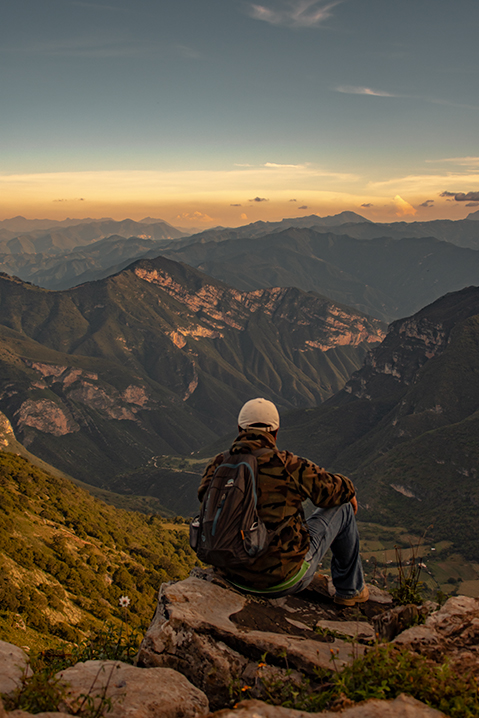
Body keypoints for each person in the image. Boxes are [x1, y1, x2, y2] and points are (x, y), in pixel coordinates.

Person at [198, 397, 368, 605]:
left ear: (239, 429)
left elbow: (203, 497)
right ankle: (350, 590)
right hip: (281, 579)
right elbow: (334, 490)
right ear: (276, 433)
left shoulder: (219, 464)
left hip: (230, 574)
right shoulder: (289, 465)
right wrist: (349, 490)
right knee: (342, 507)